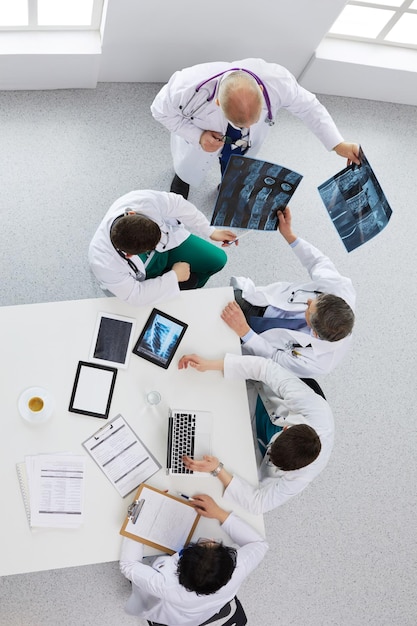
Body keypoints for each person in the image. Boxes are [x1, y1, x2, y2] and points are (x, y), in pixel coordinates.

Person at [151, 58, 360, 199]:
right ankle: (183, 178)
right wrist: (197, 136)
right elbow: (159, 111)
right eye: (241, 124)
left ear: (261, 90)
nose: (249, 127)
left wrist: (337, 143)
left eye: (256, 118)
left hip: (239, 145)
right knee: (189, 166)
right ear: (217, 103)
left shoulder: (278, 81)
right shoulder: (186, 85)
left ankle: (227, 185)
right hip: (203, 137)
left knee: (235, 166)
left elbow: (309, 108)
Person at [178, 353, 334, 515]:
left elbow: (259, 504)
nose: (270, 453)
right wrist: (210, 364)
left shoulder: (302, 476)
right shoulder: (314, 408)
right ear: (286, 428)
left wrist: (218, 470)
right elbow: (265, 368)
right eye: (272, 448)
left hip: (246, 447)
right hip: (254, 399)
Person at [222, 206, 356, 377]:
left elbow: (275, 358)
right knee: (214, 301)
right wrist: (289, 235)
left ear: (314, 332)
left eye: (309, 309)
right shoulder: (340, 289)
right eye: (316, 298)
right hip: (261, 301)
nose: (308, 301)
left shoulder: (320, 364)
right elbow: (317, 262)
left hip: (256, 338)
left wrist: (244, 332)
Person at [119, 494, 268, 626]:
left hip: (172, 614)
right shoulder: (239, 567)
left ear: (181, 563)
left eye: (204, 543)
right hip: (201, 612)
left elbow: (128, 565)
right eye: (214, 543)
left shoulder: (166, 585)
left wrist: (138, 519)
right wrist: (219, 513)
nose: (211, 538)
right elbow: (259, 544)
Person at [88, 189, 236, 306]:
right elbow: (135, 295)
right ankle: (181, 293)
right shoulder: (103, 262)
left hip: (170, 244)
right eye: (151, 248)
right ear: (129, 255)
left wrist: (210, 231)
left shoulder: (139, 201)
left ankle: (191, 290)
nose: (157, 246)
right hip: (144, 273)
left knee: (217, 260)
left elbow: (179, 205)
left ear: (132, 213)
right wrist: (173, 277)